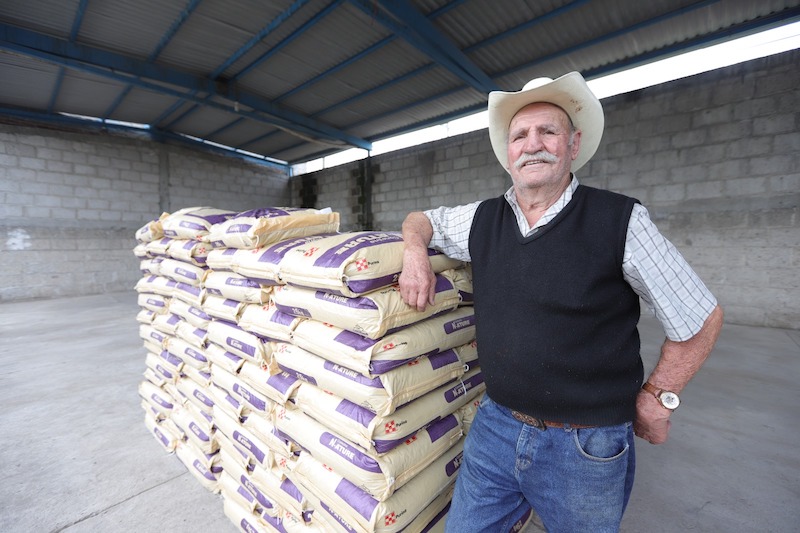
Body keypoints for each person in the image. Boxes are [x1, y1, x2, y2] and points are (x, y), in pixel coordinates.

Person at [398, 71, 724, 532]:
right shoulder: (482, 219)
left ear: (573, 145)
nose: (533, 144)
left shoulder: (620, 220)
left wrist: (658, 397)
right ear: (508, 153)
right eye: (520, 136)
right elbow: (420, 219)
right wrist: (414, 252)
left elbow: (700, 315)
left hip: (585, 446)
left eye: (548, 132)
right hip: (496, 426)